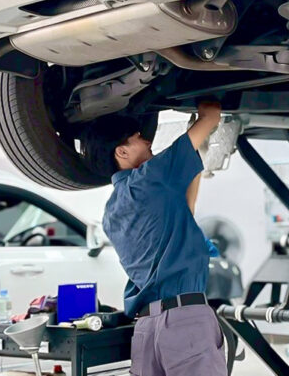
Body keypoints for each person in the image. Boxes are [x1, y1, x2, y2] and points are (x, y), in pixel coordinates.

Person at [93, 102, 227, 376]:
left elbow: (183, 212)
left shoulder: (111, 212)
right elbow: (211, 115)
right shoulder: (150, 176)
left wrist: (197, 154)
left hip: (147, 328)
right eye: (138, 137)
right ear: (122, 151)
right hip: (185, 322)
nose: (147, 140)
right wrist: (208, 100)